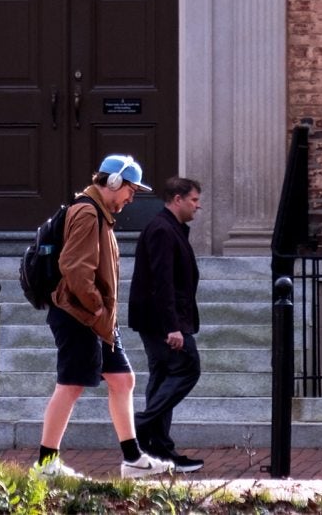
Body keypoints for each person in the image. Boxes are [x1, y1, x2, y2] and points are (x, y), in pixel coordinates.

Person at [35, 154, 175, 480]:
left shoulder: (99, 214)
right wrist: (96, 306)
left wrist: (101, 313)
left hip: (97, 319)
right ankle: (45, 465)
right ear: (113, 182)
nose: (131, 197)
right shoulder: (86, 212)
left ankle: (133, 460)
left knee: (122, 380)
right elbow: (74, 268)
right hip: (79, 315)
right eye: (130, 190)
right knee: (71, 385)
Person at [126, 176, 205, 473]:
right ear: (177, 199)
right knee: (187, 368)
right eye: (194, 200)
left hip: (161, 319)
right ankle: (140, 426)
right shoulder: (161, 229)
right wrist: (172, 327)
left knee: (161, 378)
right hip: (162, 321)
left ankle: (157, 450)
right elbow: (162, 282)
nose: (197, 206)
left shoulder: (170, 229)